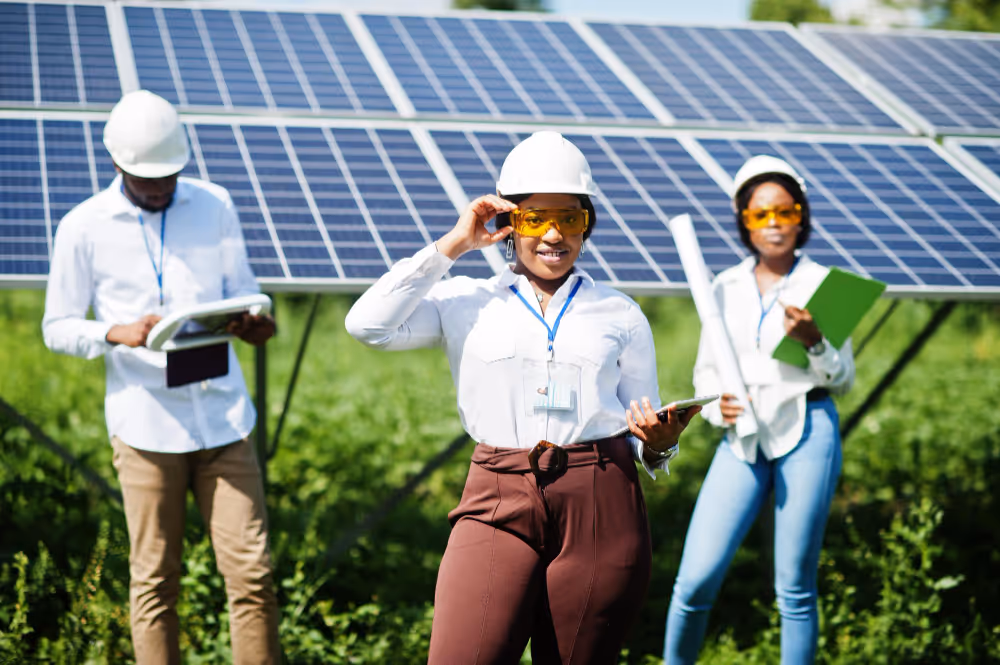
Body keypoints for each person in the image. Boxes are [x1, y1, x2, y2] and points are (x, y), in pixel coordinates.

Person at [346, 131, 700, 664]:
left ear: (588, 225)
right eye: (535, 218)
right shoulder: (466, 300)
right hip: (498, 492)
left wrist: (659, 445)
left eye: (571, 218)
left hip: (602, 498)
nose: (554, 234)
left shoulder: (620, 313)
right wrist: (455, 243)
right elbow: (366, 326)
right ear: (509, 224)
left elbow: (641, 430)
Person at [42, 90, 280, 665]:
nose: (158, 188)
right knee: (155, 581)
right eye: (146, 179)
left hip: (225, 416)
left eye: (169, 177)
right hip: (145, 425)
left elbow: (246, 291)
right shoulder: (83, 226)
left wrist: (255, 321)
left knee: (253, 576)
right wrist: (113, 332)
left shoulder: (215, 204)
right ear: (115, 164)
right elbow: (56, 326)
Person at [662, 155, 855, 664]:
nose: (774, 225)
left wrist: (815, 342)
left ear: (802, 215)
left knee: (794, 588)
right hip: (742, 439)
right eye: (760, 215)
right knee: (694, 580)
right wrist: (711, 410)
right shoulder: (722, 286)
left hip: (807, 429)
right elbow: (707, 373)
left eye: (785, 212)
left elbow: (843, 379)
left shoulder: (826, 283)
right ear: (744, 221)